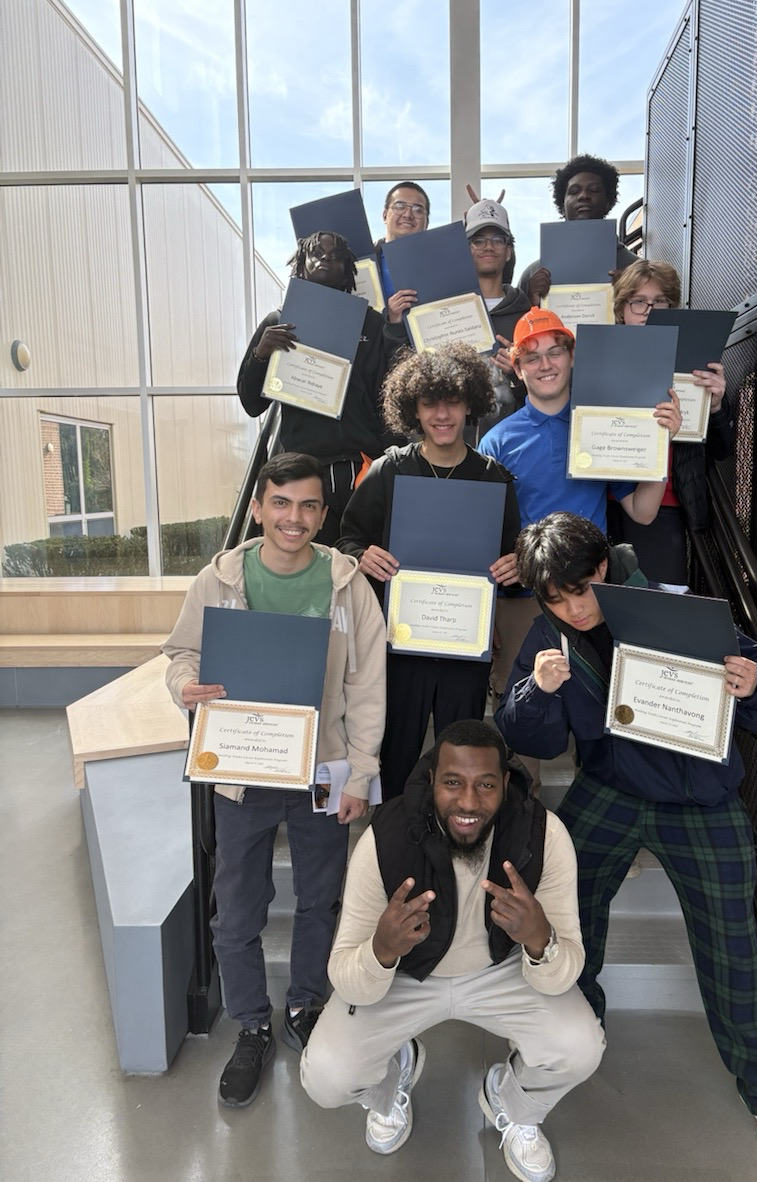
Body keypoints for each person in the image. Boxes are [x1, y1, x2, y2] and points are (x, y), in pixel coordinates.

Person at [495, 512, 757, 1168]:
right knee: (565, 920)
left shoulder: (680, 609)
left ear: (602, 569)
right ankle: (575, 1040)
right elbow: (534, 739)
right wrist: (537, 690)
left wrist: (756, 686)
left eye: (579, 590)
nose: (573, 609)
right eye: (554, 598)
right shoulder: (550, 637)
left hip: (702, 798)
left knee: (732, 945)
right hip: (610, 788)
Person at [163, 452, 386, 1108]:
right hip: (241, 767)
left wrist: (361, 776)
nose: (294, 518)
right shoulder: (219, 578)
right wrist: (186, 688)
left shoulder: (349, 585)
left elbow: (368, 687)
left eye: (309, 505)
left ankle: (305, 1006)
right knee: (236, 909)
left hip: (323, 768)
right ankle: (252, 1023)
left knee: (320, 899)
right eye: (281, 504)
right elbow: (182, 655)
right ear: (259, 507)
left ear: (324, 513)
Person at [300, 719, 605, 1182]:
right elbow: (346, 975)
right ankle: (393, 1075)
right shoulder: (385, 836)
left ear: (505, 783)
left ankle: (515, 1105)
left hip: (501, 972)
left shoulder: (544, 834)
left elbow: (565, 972)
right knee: (325, 1078)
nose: (468, 802)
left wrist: (540, 939)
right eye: (452, 783)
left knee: (581, 1046)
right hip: (403, 976)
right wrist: (381, 951)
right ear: (431, 781)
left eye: (485, 785)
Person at [477, 307, 681, 783]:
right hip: (524, 600)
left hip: (593, 594)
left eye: (555, 351)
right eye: (532, 357)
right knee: (522, 706)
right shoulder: (497, 442)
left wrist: (661, 443)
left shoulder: (602, 425)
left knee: (605, 705)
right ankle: (520, 814)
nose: (545, 364)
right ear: (517, 365)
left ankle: (601, 807)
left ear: (572, 357)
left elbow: (643, 512)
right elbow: (485, 532)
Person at [337, 343, 521, 798]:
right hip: (401, 640)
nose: (442, 414)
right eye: (429, 402)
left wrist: (517, 565)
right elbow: (345, 541)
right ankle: (398, 831)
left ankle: (455, 828)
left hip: (465, 641)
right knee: (397, 745)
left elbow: (514, 555)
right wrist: (361, 555)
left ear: (470, 404)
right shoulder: (388, 471)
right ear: (412, 409)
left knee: (460, 742)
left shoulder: (493, 477)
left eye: (452, 401)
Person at [237, 231, 393, 544]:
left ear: (349, 269)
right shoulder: (278, 321)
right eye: (317, 254)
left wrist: (384, 462)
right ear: (301, 264)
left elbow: (385, 399)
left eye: (336, 257)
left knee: (356, 565)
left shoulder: (371, 324)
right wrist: (260, 355)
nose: (325, 260)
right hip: (300, 467)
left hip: (356, 468)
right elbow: (251, 403)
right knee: (301, 563)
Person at [608, 259, 734, 589]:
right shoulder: (603, 360)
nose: (649, 310)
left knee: (660, 608)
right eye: (638, 302)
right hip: (608, 503)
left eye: (659, 301)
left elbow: (723, 450)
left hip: (668, 506)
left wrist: (716, 406)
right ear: (622, 310)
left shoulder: (695, 361)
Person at [384, 197, 532, 440]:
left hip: (503, 449)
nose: (488, 247)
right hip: (440, 447)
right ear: (465, 250)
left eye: (497, 239)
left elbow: (541, 392)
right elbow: (401, 370)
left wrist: (519, 373)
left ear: (508, 252)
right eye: (478, 240)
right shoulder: (435, 310)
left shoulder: (525, 317)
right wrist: (394, 323)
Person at [518, 154, 640, 307]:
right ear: (562, 206)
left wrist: (633, 296)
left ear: (608, 203)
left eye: (594, 190)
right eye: (574, 191)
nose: (584, 196)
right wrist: (532, 302)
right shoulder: (532, 274)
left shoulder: (636, 270)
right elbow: (517, 328)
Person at [373, 181, 432, 315]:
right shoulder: (360, 264)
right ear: (384, 216)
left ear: (426, 222)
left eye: (418, 210)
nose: (408, 215)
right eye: (399, 206)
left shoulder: (442, 263)